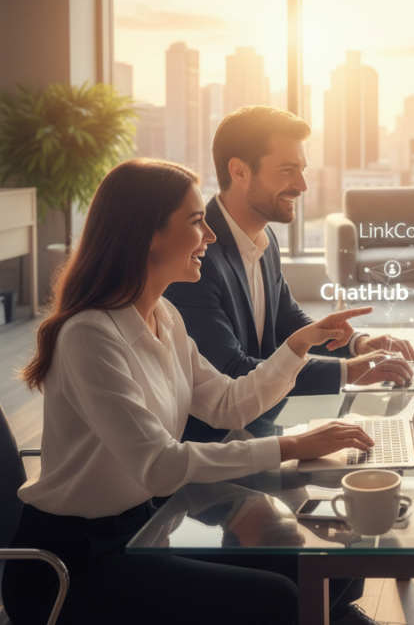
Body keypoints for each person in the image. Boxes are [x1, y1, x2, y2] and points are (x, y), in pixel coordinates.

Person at [1, 159, 385, 625]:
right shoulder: (89, 335)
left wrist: (299, 343)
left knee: (324, 568)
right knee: (277, 598)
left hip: (144, 530)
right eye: (195, 221)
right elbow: (161, 466)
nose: (210, 235)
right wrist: (289, 446)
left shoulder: (164, 316)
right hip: (72, 567)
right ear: (148, 234)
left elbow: (228, 403)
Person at [164, 106, 414, 445]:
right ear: (239, 170)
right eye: (287, 171)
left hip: (264, 422)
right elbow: (232, 372)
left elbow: (288, 321)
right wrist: (351, 372)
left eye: (302, 170)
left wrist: (357, 345)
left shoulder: (265, 240)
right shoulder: (194, 256)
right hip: (216, 444)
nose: (301, 185)